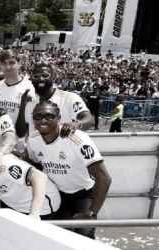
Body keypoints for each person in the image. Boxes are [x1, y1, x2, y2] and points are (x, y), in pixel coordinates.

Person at [25, 101, 112, 239]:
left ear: (58, 118)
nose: (43, 120)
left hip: (82, 194)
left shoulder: (76, 139)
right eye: (38, 116)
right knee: (48, 235)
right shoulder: (32, 140)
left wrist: (90, 215)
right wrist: (22, 159)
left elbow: (104, 178)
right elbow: (39, 166)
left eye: (49, 116)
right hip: (54, 193)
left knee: (84, 236)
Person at [16, 63, 94, 138]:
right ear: (32, 80)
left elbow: (90, 120)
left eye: (45, 75)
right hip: (36, 150)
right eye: (36, 76)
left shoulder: (69, 98)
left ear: (53, 78)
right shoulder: (30, 102)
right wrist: (22, 105)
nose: (40, 79)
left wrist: (77, 124)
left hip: (62, 150)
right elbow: (20, 133)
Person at [0, 49, 34, 149]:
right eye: (4, 63)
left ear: (19, 64)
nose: (8, 67)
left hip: (21, 146)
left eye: (12, 63)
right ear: (0, 66)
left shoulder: (30, 87)